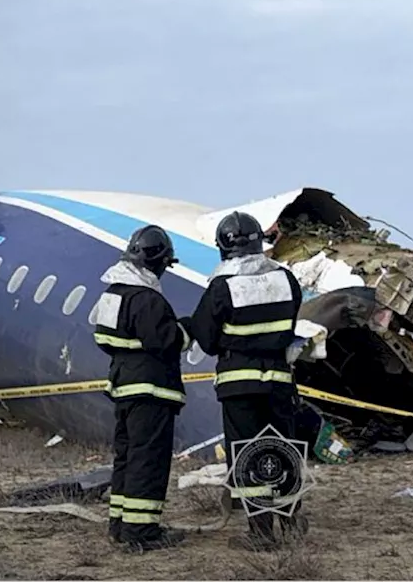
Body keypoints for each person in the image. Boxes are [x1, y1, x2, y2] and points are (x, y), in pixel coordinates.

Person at [186, 211, 308, 551]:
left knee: (248, 455)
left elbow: (206, 339)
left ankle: (262, 533)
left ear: (224, 247)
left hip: (240, 386)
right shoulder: (286, 280)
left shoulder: (222, 286)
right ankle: (292, 518)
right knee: (284, 449)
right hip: (280, 382)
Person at [93, 225, 191, 552]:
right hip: (150, 391)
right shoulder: (147, 299)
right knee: (148, 459)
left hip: (123, 387)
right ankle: (142, 532)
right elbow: (166, 342)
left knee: (128, 456)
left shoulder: (113, 294)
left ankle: (120, 525)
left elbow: (103, 339)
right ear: (159, 262)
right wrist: (188, 329)